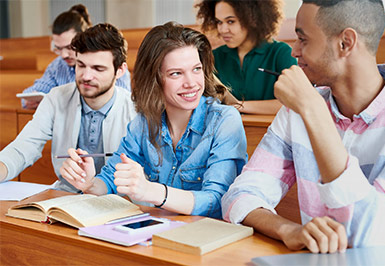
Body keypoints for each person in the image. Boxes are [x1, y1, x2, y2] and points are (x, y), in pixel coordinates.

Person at [222, 0, 385, 253]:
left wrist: (314, 111)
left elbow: (372, 236)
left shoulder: (307, 106)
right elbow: (239, 195)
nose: (293, 51)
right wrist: (288, 229)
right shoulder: (297, 110)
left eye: (302, 39)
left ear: (345, 43)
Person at [59, 22, 247, 218]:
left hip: (208, 236)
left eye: (196, 69)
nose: (191, 83)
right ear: (154, 78)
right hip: (160, 233)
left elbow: (218, 201)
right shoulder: (143, 122)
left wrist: (150, 191)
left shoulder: (224, 120)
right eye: (176, 73)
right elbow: (109, 179)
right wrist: (89, 183)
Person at [0, 23, 136, 192]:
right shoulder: (56, 97)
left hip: (119, 202)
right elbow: (24, 147)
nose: (86, 76)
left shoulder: (135, 110)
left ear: (120, 70)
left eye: (98, 69)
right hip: (67, 195)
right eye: (81, 65)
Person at [196, 0, 297, 114]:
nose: (223, 29)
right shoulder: (215, 57)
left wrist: (238, 106)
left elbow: (294, 103)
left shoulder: (281, 53)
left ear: (253, 19)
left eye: (230, 21)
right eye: (219, 22)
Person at [22, 4, 131, 109]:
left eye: (70, 47)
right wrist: (30, 99)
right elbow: (32, 93)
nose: (64, 55)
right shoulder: (57, 65)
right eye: (59, 48)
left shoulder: (113, 66)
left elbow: (120, 103)